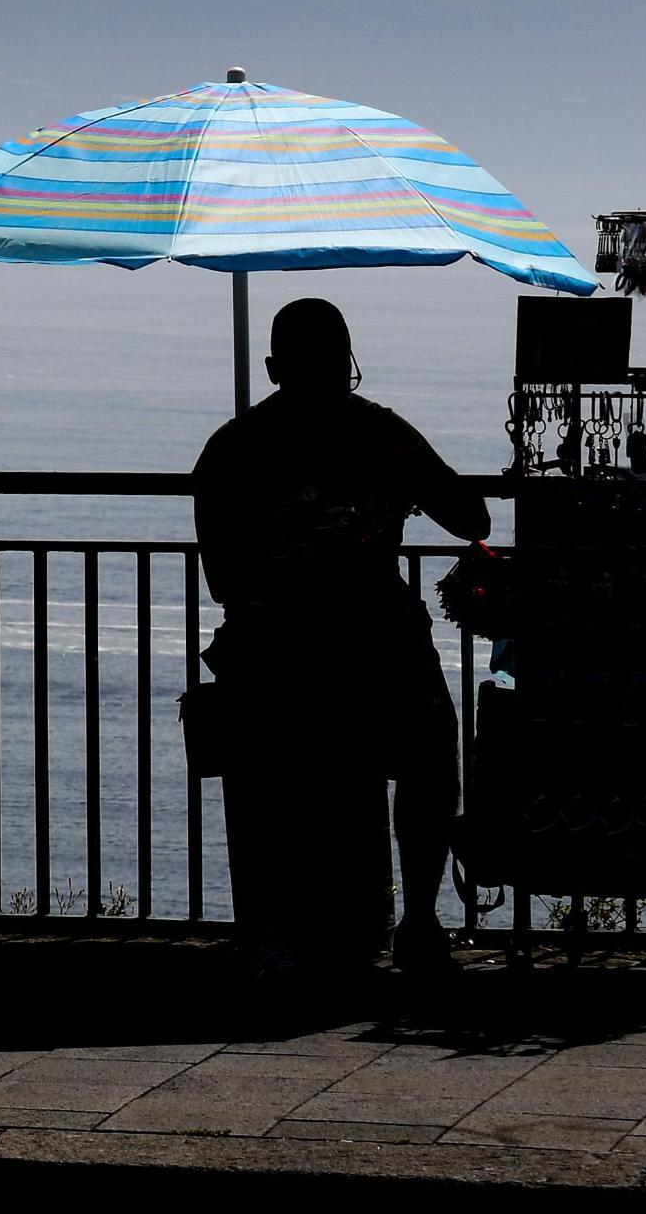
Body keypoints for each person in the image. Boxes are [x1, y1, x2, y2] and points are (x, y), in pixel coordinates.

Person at [192, 297, 482, 983]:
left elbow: (223, 577)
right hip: (378, 643)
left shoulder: (231, 448)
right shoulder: (384, 436)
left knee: (273, 787)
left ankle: (275, 931)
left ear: (272, 367)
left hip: (274, 652)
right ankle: (417, 921)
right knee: (430, 758)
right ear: (347, 363)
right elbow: (472, 517)